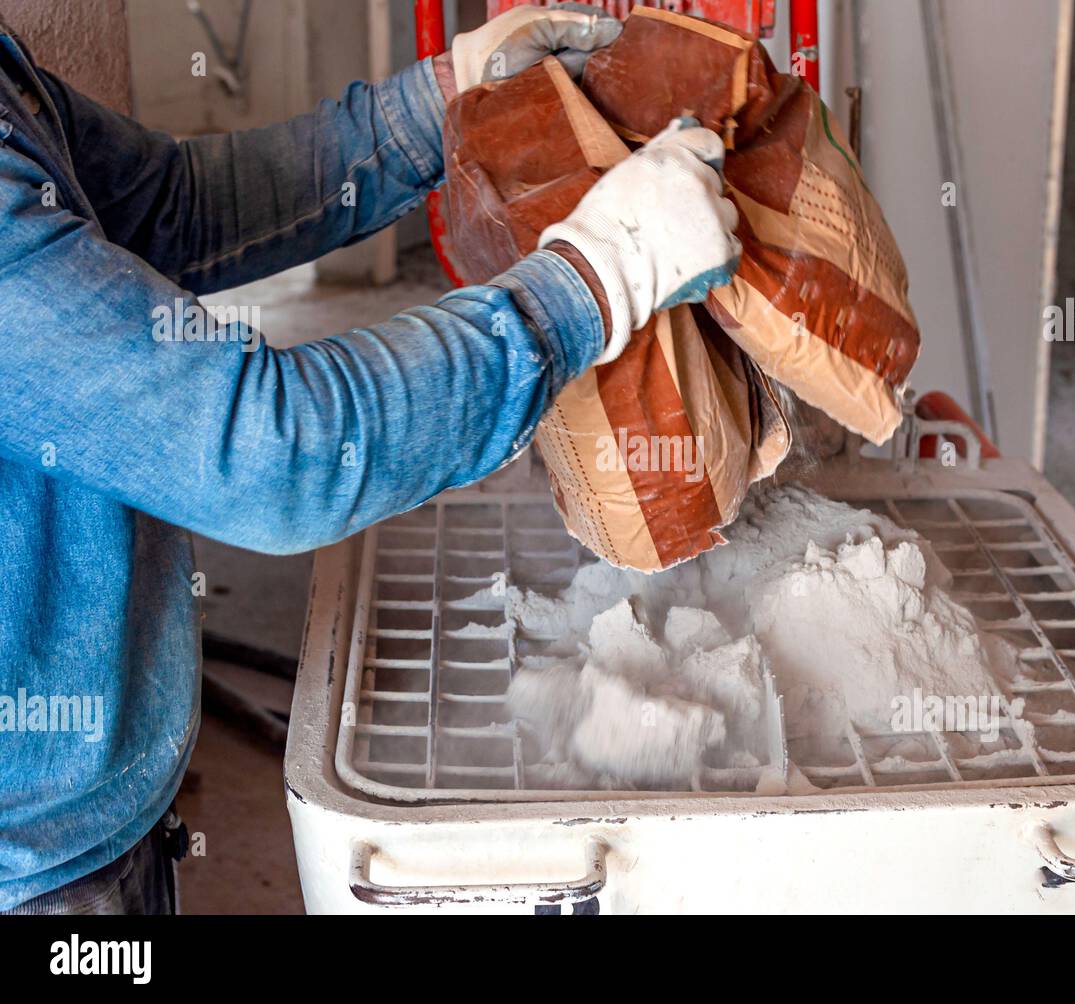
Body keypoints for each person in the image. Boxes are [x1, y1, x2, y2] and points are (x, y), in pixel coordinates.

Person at [0, 5, 740, 913]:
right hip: (28, 862)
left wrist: (440, 105)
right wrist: (594, 282)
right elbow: (271, 454)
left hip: (92, 799)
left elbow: (170, 208)